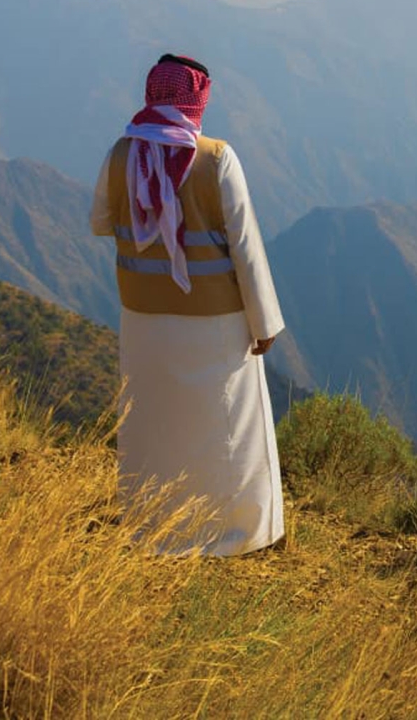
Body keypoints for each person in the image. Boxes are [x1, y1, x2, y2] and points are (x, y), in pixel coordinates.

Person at [88, 53, 286, 555]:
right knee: (228, 428)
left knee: (155, 423)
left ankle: (151, 525)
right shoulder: (217, 158)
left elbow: (100, 221)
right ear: (198, 101)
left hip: (143, 318)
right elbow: (245, 246)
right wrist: (265, 321)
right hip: (216, 321)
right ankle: (237, 533)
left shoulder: (120, 155)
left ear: (152, 95)